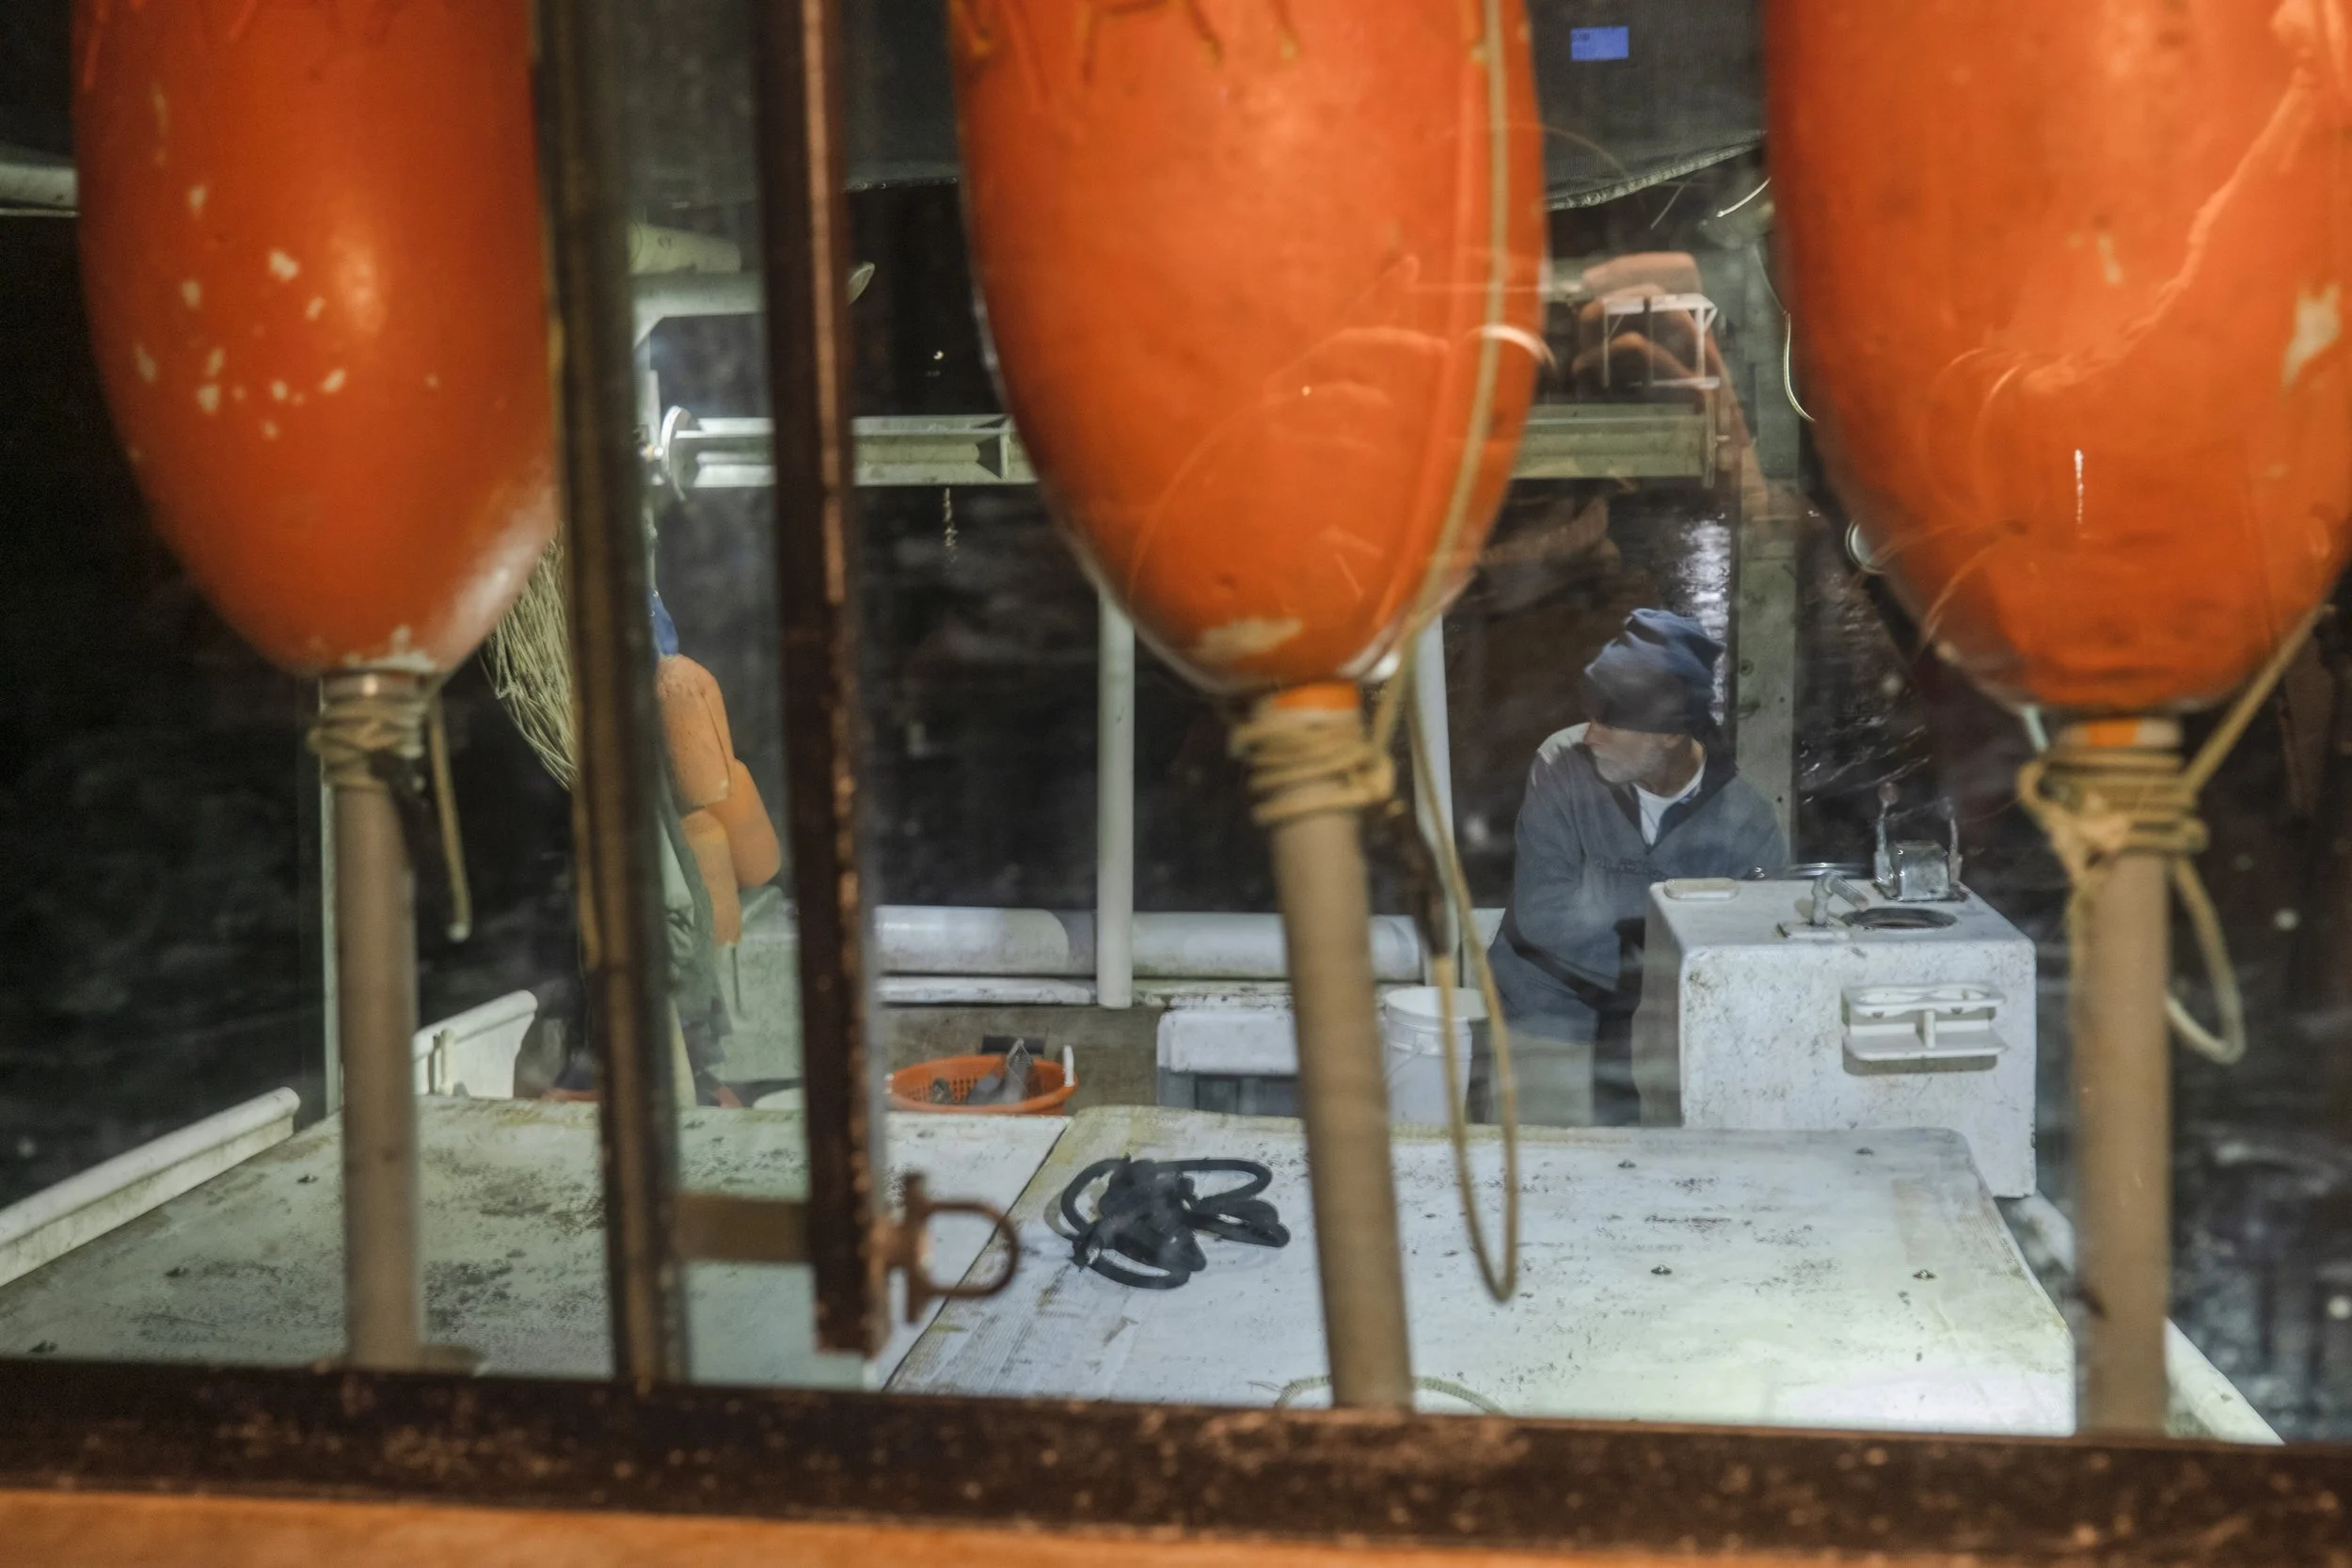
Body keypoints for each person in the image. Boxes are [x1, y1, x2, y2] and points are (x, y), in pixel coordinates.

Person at [1487, 609, 1788, 1124]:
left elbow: (1755, 950)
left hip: (1669, 1027)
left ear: (1669, 733)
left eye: (1610, 721)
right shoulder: (1561, 765)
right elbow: (1544, 913)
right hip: (1548, 1006)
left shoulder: (1747, 821)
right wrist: (1671, 973)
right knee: (1544, 1158)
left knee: (1662, 1154)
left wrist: (1666, 1000)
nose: (1590, 736)